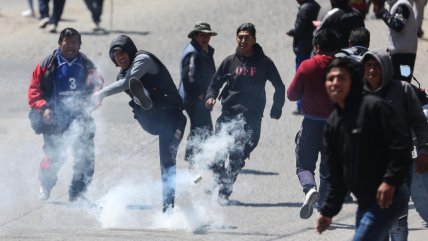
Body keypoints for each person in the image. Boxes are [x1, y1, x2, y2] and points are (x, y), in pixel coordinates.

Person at [316, 57, 412, 240]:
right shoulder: (332, 125)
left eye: (341, 78)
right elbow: (336, 175)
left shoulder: (373, 107)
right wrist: (328, 212)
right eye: (330, 78)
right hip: (366, 201)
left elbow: (401, 146)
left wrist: (390, 181)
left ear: (353, 81)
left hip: (389, 196)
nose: (335, 83)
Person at [93, 35, 187, 213]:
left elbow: (127, 82)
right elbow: (125, 81)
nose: (120, 57)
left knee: (167, 162)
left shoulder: (143, 59)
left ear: (129, 51)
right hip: (152, 121)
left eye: (122, 53)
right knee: (133, 88)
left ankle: (168, 208)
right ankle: (144, 100)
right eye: (115, 56)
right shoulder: (123, 74)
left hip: (174, 120)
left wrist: (100, 94)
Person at [205, 23, 285, 203]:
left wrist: (276, 108)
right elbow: (214, 83)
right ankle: (219, 181)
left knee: (236, 155)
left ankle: (224, 192)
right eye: (240, 37)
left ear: (254, 40)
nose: (243, 40)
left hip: (251, 118)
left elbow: (279, 86)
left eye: (247, 37)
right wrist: (210, 97)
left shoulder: (265, 63)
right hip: (227, 116)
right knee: (216, 155)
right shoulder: (229, 61)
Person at [28, 28, 103, 202]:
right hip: (54, 118)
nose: (71, 46)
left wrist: (94, 99)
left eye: (75, 42)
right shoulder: (48, 64)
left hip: (79, 116)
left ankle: (77, 193)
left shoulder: (86, 64)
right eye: (67, 42)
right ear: (60, 43)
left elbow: (98, 83)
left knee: (86, 154)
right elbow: (33, 90)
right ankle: (45, 185)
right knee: (55, 155)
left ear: (80, 45)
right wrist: (44, 107)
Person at [362, 49, 428, 240]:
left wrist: (423, 150)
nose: (373, 70)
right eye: (369, 66)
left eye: (377, 66)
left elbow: (419, 123)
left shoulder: (404, 90)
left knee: (398, 218)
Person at [287, 29, 338, 219]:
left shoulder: (307, 66)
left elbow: (292, 94)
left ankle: (309, 189)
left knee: (304, 164)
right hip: (335, 126)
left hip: (311, 124)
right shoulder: (344, 68)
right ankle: (323, 206)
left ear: (317, 47)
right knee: (328, 167)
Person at [178, 21, 217, 166]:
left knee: (200, 127)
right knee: (202, 127)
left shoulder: (203, 49)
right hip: (194, 99)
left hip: (199, 97)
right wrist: (201, 95)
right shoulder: (193, 53)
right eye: (202, 35)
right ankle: (195, 158)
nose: (205, 38)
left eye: (207, 35)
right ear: (195, 36)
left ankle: (195, 157)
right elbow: (189, 79)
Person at [286, 0, 321, 115]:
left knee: (301, 77)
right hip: (312, 47)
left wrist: (292, 32)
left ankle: (301, 106)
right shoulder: (316, 6)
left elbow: (300, 29)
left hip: (304, 48)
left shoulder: (305, 9)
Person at [375, 0, 417, 82]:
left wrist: (383, 12)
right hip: (398, 54)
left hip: (405, 57)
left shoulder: (403, 5)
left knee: (403, 83)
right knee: (394, 83)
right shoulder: (396, 5)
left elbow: (397, 25)